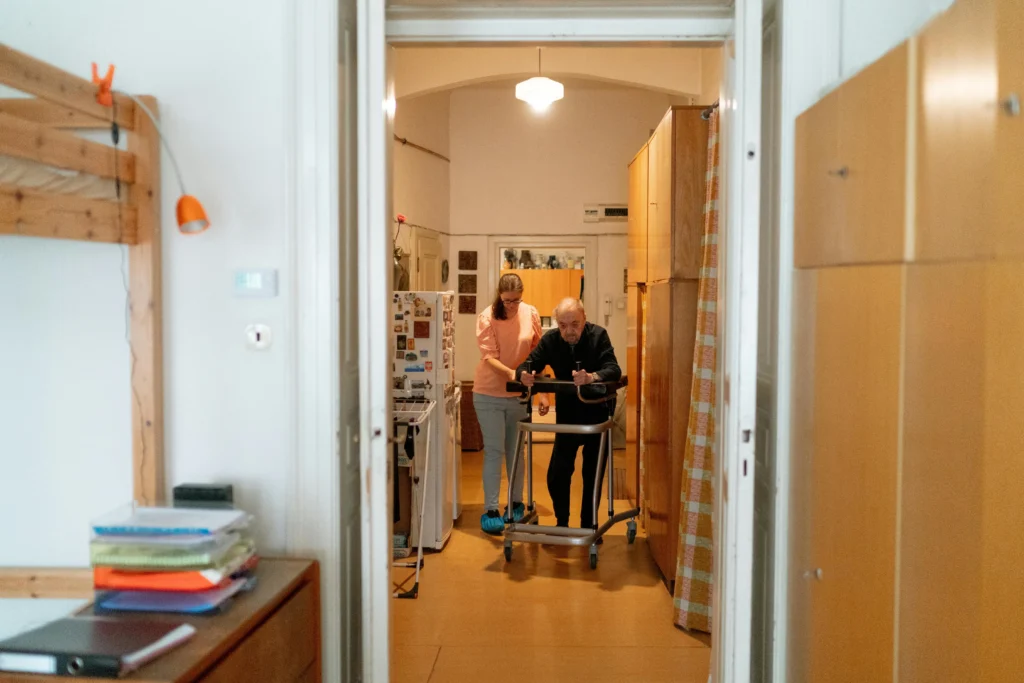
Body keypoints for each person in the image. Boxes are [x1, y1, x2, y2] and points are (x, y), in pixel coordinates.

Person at [516, 298, 621, 530]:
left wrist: (591, 377)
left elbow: (613, 368)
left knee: (591, 475)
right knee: (557, 475)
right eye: (563, 325)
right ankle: (561, 521)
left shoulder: (598, 335)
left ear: (584, 318)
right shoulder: (551, 340)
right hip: (568, 418)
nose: (569, 331)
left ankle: (589, 525)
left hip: (596, 416)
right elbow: (527, 364)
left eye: (574, 324)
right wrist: (523, 374)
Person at [473, 273, 549, 534]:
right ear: (499, 296)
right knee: (494, 451)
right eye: (507, 301)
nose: (512, 306)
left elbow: (538, 354)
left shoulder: (531, 314)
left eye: (516, 301)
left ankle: (516, 503)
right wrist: (512, 375)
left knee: (516, 451)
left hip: (519, 395)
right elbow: (489, 358)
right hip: (489, 394)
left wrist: (542, 392)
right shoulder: (487, 317)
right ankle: (491, 508)